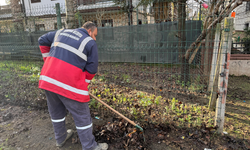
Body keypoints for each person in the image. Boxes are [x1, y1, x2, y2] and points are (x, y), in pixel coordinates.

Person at [38, 21, 108, 150]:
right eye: (94, 34)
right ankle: (90, 147)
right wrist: (83, 84)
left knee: (56, 112)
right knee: (82, 116)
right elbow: (92, 69)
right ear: (89, 31)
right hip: (69, 83)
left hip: (48, 79)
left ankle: (61, 138)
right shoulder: (89, 42)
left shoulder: (61, 32)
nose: (95, 38)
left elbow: (42, 40)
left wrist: (48, 61)